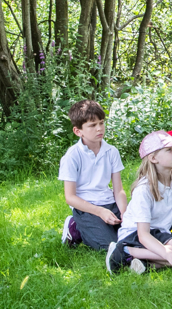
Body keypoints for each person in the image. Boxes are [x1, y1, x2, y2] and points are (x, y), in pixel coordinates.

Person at [106, 131, 172, 274]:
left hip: (160, 234)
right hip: (135, 236)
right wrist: (166, 253)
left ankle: (143, 265)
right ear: (153, 158)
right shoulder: (144, 190)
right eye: (169, 150)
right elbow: (143, 234)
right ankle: (124, 250)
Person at [59, 99, 128, 250]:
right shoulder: (72, 156)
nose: (99, 129)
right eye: (92, 125)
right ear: (78, 131)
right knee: (108, 245)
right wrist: (100, 212)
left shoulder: (111, 151)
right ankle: (75, 227)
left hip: (109, 202)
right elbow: (69, 197)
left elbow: (119, 189)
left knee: (132, 235)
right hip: (86, 206)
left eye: (101, 123)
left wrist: (125, 213)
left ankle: (90, 227)